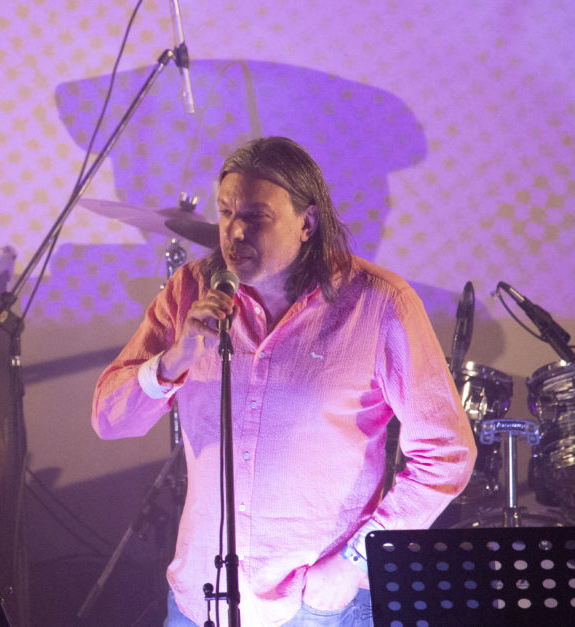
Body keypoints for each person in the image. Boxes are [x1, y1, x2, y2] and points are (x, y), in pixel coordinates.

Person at [92, 136, 476, 627]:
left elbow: (447, 452)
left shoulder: (379, 304)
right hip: (201, 597)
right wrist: (173, 360)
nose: (233, 232)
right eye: (226, 212)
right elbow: (108, 418)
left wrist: (356, 561)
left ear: (306, 223)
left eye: (255, 216)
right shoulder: (189, 290)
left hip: (319, 606)